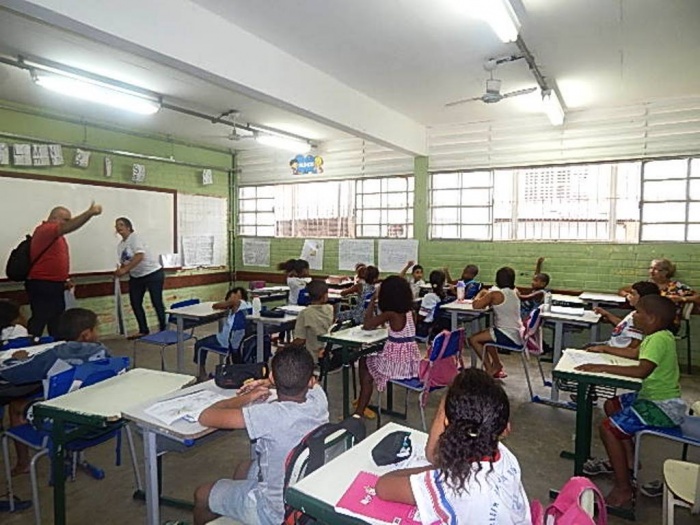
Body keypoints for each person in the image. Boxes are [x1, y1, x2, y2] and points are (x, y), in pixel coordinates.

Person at [193, 344, 329, 525]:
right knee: (243, 468)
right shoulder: (319, 399)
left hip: (273, 512)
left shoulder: (268, 416)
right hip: (301, 492)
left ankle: (244, 510)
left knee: (201, 495)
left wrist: (247, 398)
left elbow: (206, 416)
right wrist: (268, 383)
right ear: (311, 381)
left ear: (271, 375)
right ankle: (236, 511)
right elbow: (311, 383)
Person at [375, 369, 531, 524]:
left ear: (446, 421)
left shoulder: (455, 485)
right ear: (504, 428)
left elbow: (384, 486)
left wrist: (442, 469)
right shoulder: (504, 455)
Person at [576, 295, 686, 509]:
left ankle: (624, 488)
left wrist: (601, 367)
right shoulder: (657, 336)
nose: (634, 315)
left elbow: (641, 370)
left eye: (638, 312)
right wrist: (604, 349)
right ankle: (627, 462)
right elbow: (635, 353)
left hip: (662, 406)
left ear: (652, 318)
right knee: (612, 405)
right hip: (652, 398)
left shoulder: (658, 339)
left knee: (608, 429)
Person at [0, 308, 110, 476]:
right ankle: (74, 458)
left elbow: (13, 374)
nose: (98, 332)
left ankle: (23, 463)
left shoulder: (53, 356)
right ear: (87, 335)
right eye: (97, 329)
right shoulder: (103, 352)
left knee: (16, 405)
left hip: (61, 423)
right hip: (98, 419)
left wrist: (16, 359)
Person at [25, 202, 102, 337]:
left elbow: (55, 261)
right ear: (54, 218)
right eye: (66, 220)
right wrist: (89, 213)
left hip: (55, 284)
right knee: (40, 317)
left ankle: (57, 343)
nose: (69, 223)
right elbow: (68, 227)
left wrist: (64, 279)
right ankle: (32, 344)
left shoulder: (57, 237)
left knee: (57, 319)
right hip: (43, 283)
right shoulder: (46, 229)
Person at [353, 276, 421, 419]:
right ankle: (362, 402)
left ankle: (360, 409)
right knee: (369, 358)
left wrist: (372, 300)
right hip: (410, 364)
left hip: (395, 366)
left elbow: (367, 325)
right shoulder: (411, 313)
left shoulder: (390, 314)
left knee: (364, 363)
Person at [114, 217, 167, 338]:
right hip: (136, 276)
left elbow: (139, 256)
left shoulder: (134, 238)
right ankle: (143, 330)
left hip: (153, 273)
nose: (118, 227)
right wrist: (119, 271)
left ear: (128, 227)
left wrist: (125, 270)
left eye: (121, 225)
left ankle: (164, 329)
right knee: (135, 302)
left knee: (156, 301)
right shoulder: (120, 246)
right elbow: (125, 262)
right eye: (116, 225)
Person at [468, 267, 523, 379]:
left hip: (506, 333)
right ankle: (497, 364)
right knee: (488, 336)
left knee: (473, 339)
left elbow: (476, 305)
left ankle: (489, 368)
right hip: (517, 332)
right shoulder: (516, 291)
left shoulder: (495, 294)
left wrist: (481, 293)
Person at [192, 287, 252, 381]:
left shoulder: (239, 303)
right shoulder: (249, 306)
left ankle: (202, 374)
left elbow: (216, 306)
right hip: (240, 342)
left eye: (234, 295)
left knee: (199, 344)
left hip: (226, 341)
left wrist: (227, 304)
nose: (232, 298)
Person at [291, 280, 334, 359]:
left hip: (312, 355)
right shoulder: (330, 309)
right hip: (329, 352)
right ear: (325, 296)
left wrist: (286, 347)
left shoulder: (305, 313)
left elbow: (300, 340)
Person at [417, 269, 453, 339]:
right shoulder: (443, 296)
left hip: (425, 328)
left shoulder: (429, 297)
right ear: (443, 283)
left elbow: (422, 316)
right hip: (435, 327)